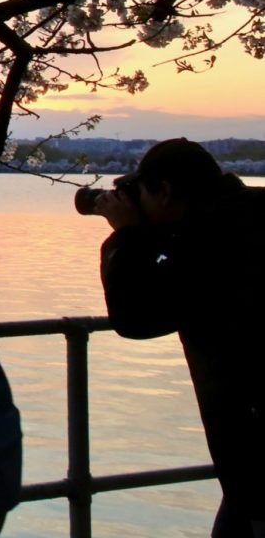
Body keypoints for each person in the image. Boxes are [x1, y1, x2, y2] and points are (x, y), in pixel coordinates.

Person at [89, 138, 265, 538]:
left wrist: (127, 238)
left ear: (165, 191)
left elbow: (136, 317)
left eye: (143, 192)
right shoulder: (246, 216)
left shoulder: (213, 243)